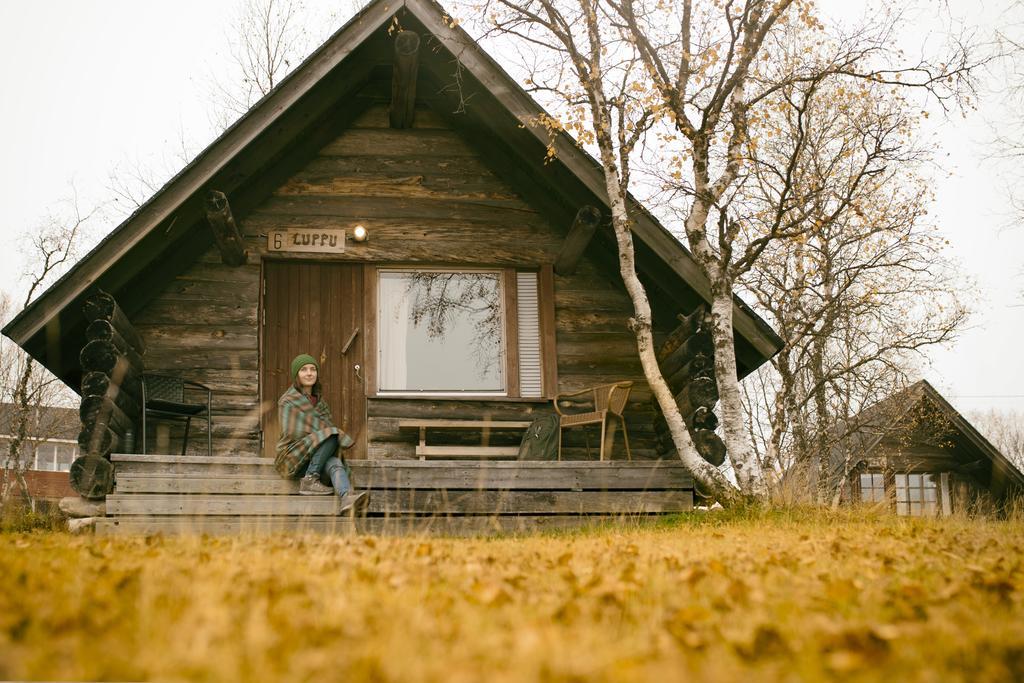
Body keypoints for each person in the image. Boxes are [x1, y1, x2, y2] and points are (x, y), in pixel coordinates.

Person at [276, 353, 368, 513]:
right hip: (293, 457)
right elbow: (291, 431)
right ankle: (310, 478)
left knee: (335, 463)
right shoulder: (287, 401)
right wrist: (320, 436)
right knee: (332, 433)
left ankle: (347, 498)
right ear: (296, 374)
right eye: (304, 370)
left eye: (313, 369)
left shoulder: (321, 403)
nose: (309, 373)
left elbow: (326, 432)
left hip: (317, 459)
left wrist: (321, 437)